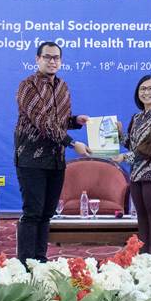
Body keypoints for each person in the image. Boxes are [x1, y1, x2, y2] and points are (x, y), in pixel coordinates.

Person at [14, 41, 91, 264]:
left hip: (56, 160)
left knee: (47, 213)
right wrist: (71, 143)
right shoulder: (27, 86)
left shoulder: (63, 86)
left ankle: (40, 260)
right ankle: (25, 265)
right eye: (47, 57)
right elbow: (43, 122)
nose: (52, 61)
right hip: (31, 159)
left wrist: (75, 121)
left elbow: (59, 121)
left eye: (56, 57)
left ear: (61, 61)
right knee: (33, 213)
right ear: (37, 59)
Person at [112, 75, 151, 262]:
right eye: (142, 89)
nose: (146, 92)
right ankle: (146, 261)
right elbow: (132, 145)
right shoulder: (137, 118)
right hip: (137, 175)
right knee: (143, 220)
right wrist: (119, 134)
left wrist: (125, 157)